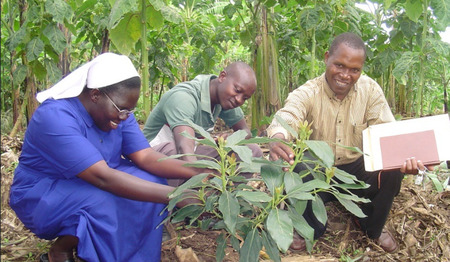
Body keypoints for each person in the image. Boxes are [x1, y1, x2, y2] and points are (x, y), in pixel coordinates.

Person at [9, 53, 208, 262]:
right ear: (95, 95)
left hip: (96, 180)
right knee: (105, 201)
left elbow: (146, 156)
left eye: (130, 111)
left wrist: (199, 172)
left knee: (152, 183)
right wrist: (176, 195)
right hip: (44, 192)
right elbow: (103, 178)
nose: (125, 117)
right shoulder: (54, 117)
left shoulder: (119, 111)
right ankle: (68, 249)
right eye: (122, 109)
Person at [267, 32, 430, 253]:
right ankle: (308, 226)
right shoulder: (308, 92)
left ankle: (371, 225)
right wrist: (279, 137)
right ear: (326, 58)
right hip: (318, 172)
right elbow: (289, 115)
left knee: (391, 170)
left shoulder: (370, 90)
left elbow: (389, 135)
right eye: (339, 65)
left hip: (356, 172)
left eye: (354, 70)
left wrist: (411, 161)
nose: (345, 75)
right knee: (299, 164)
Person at [143, 61, 263, 186]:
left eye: (245, 98)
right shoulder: (184, 97)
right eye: (237, 90)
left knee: (253, 151)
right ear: (222, 77)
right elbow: (185, 150)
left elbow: (245, 132)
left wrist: (232, 139)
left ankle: (217, 200)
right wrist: (205, 177)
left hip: (188, 153)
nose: (239, 99)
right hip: (154, 157)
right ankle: (187, 199)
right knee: (179, 156)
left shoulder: (225, 98)